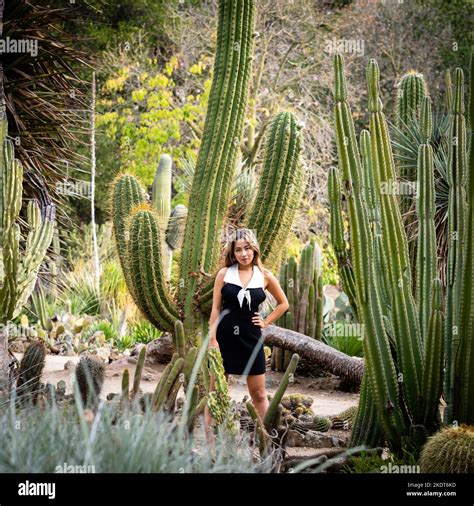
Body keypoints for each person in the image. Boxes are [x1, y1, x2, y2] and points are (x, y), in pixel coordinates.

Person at [204, 228, 289, 443]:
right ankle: (211, 444)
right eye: (239, 250)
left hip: (251, 339)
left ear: (254, 250)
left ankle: (265, 441)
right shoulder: (224, 274)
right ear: (233, 253)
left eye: (247, 248)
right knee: (216, 393)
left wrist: (266, 322)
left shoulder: (265, 276)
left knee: (259, 394)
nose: (244, 254)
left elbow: (283, 303)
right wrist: (212, 340)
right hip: (224, 338)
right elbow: (215, 309)